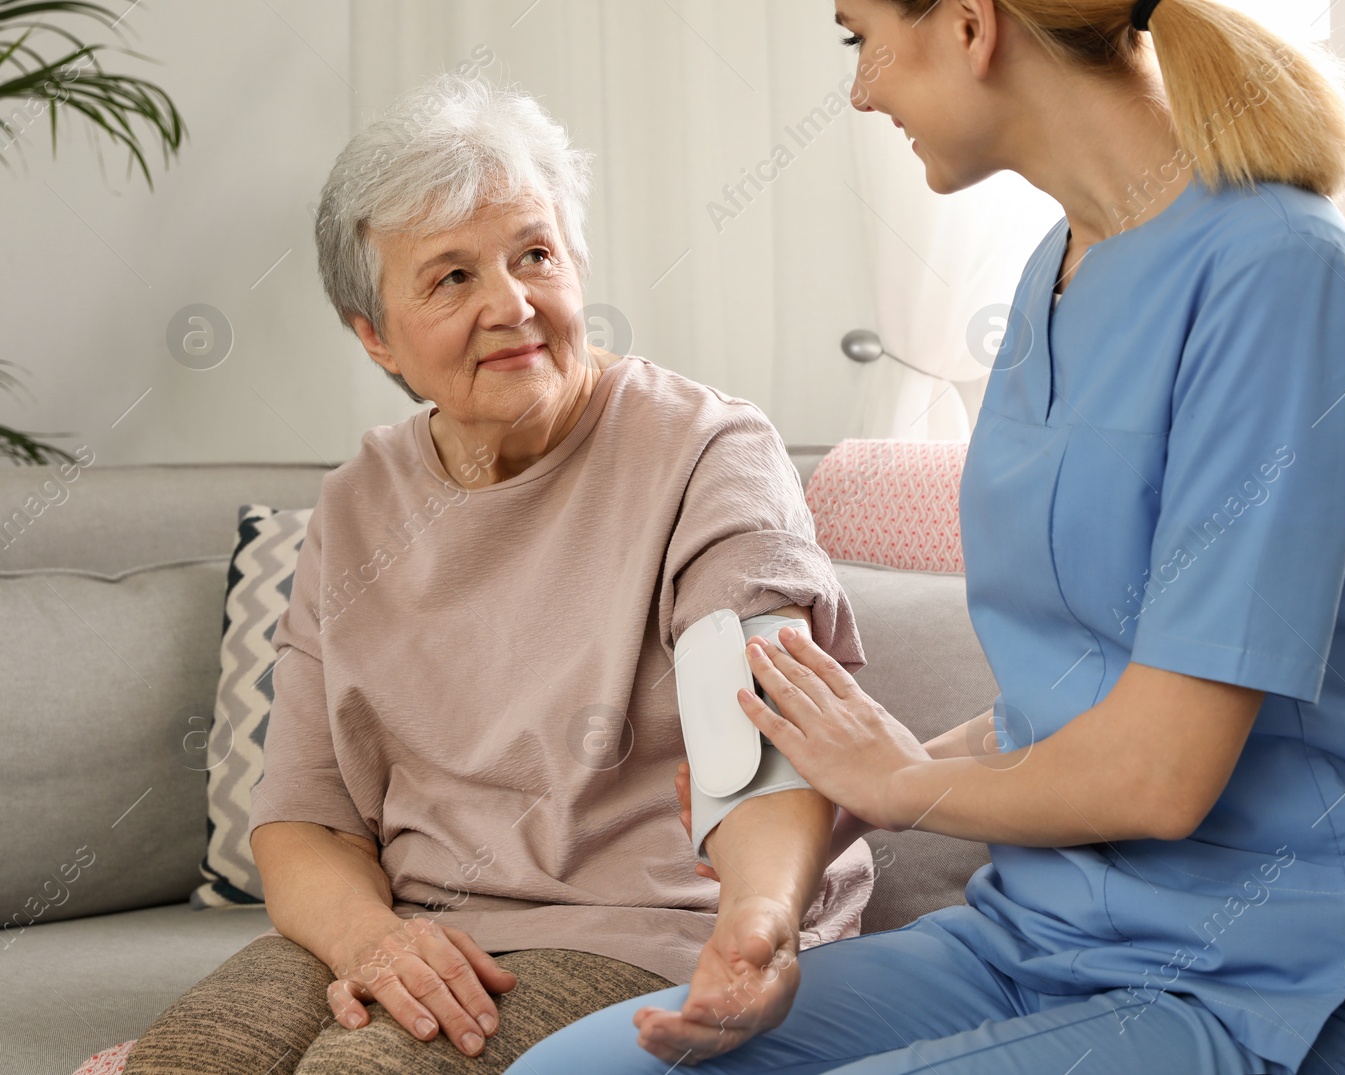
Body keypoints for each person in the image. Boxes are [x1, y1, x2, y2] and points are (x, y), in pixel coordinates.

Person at [509, 0, 1345, 1072]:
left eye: (858, 36)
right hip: (1038, 937)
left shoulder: (1281, 273)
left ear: (970, 25)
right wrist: (850, 782)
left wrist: (900, 787)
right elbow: (1072, 693)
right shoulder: (1053, 268)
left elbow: (1161, 771)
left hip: (1273, 977)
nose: (862, 89)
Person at [121, 72, 874, 1075]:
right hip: (422, 917)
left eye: (534, 255)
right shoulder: (358, 504)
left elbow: (763, 736)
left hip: (656, 925)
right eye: (451, 277)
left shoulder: (705, 453)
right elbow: (305, 819)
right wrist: (374, 941)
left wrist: (762, 916)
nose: (512, 304)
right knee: (188, 1061)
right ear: (374, 336)